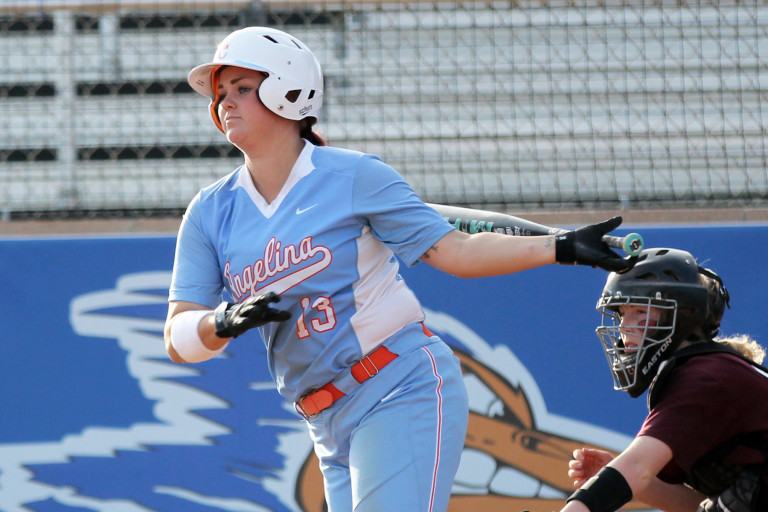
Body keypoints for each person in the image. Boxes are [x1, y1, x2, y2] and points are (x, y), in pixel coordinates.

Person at [163, 26, 634, 512]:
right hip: (323, 420)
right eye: (220, 94)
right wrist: (220, 322)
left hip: (395, 385)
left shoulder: (353, 175)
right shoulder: (209, 210)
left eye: (242, 88)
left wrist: (561, 246)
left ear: (288, 89)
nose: (225, 104)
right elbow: (177, 337)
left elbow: (457, 252)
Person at [560, 247, 768, 512]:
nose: (624, 327)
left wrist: (619, 479)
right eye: (623, 313)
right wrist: (627, 481)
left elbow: (637, 466)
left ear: (681, 314)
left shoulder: (705, 378)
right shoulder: (701, 371)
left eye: (640, 311)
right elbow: (697, 506)